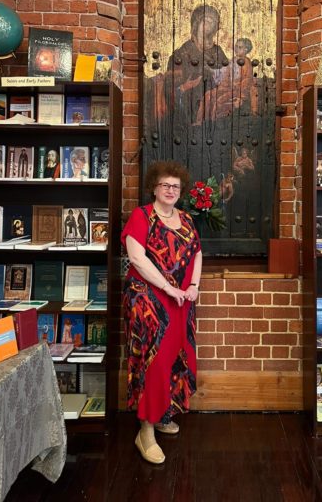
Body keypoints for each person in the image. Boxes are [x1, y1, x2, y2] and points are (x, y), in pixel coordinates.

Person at [121, 160, 202, 465]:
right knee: (152, 362)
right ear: (154, 188)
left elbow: (197, 253)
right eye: (165, 185)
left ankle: (161, 414)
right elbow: (137, 260)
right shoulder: (141, 216)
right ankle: (145, 431)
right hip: (148, 301)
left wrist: (193, 285)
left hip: (180, 301)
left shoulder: (186, 219)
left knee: (173, 358)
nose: (170, 190)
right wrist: (169, 288)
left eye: (175, 186)